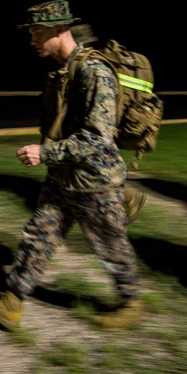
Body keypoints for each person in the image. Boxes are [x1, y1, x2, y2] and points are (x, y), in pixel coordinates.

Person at [0, 0, 143, 330]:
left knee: (111, 247)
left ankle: (132, 302)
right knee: (38, 236)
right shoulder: (64, 72)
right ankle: (11, 302)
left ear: (61, 29)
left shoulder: (94, 72)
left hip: (95, 182)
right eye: (31, 31)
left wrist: (43, 153)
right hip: (64, 178)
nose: (32, 39)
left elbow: (98, 138)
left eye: (37, 31)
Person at [69, 22, 146, 224]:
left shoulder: (96, 67)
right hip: (101, 129)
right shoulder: (88, 63)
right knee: (97, 173)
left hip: (101, 129)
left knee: (101, 174)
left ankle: (124, 203)